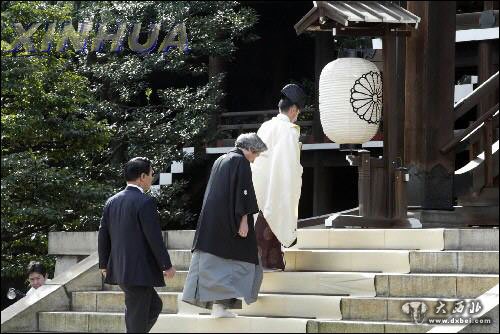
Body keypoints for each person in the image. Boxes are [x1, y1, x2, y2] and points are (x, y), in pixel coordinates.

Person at [182, 133, 267, 318]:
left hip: (213, 223)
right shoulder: (240, 161)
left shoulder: (221, 159)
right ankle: (221, 307)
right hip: (231, 223)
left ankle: (220, 307)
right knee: (242, 260)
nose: (256, 158)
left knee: (217, 265)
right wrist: (244, 220)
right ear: (250, 149)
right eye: (257, 154)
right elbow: (243, 193)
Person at [98, 157, 176, 333]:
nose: (152, 177)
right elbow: (154, 237)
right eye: (151, 174)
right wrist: (166, 265)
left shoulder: (111, 201)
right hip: (139, 271)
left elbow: (103, 235)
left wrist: (104, 264)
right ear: (142, 177)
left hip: (121, 268)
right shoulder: (145, 202)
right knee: (138, 317)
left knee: (154, 306)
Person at [251, 83, 305, 270]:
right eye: (298, 111)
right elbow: (287, 165)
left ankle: (263, 262)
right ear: (293, 109)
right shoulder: (288, 131)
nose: (297, 116)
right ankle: (267, 262)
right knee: (274, 215)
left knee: (262, 221)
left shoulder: (266, 126)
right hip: (276, 182)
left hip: (259, 183)